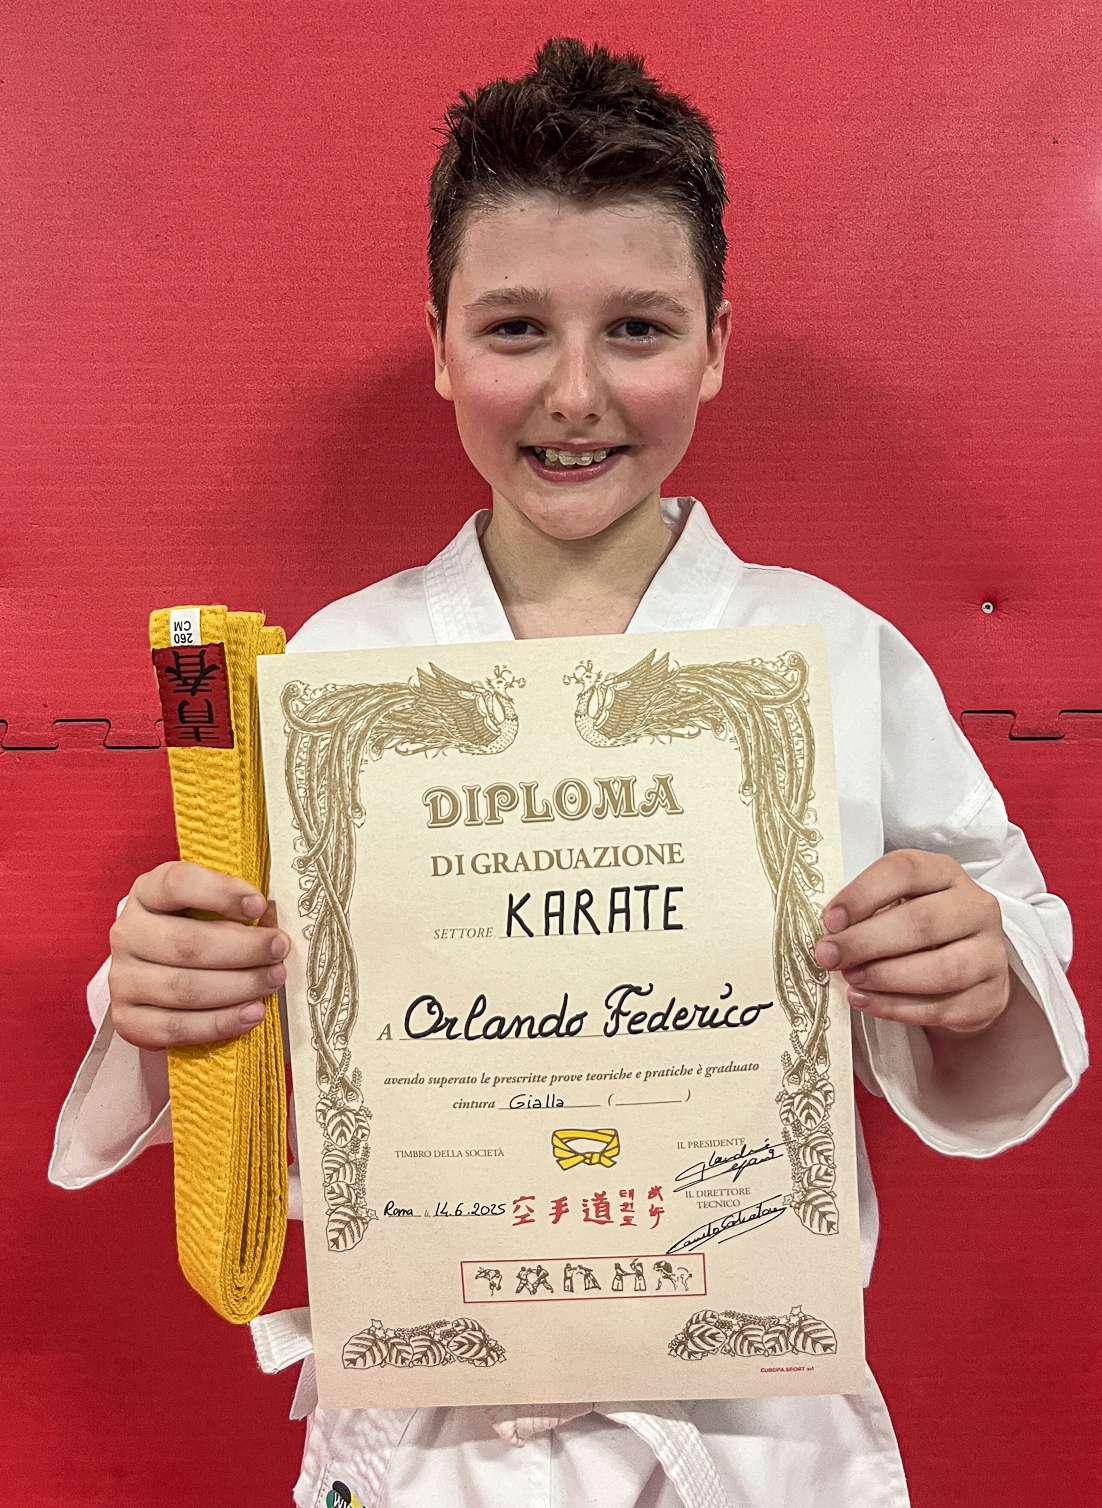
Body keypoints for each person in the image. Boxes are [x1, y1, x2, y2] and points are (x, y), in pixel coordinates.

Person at [49, 37, 1086, 1508]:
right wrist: (164, 992)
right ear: (440, 344)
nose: (576, 392)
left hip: (751, 1425)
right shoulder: (338, 670)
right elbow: (256, 1003)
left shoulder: (830, 655)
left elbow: (1005, 979)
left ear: (716, 343)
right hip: (434, 1432)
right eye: (518, 329)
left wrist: (974, 965)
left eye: (639, 329)